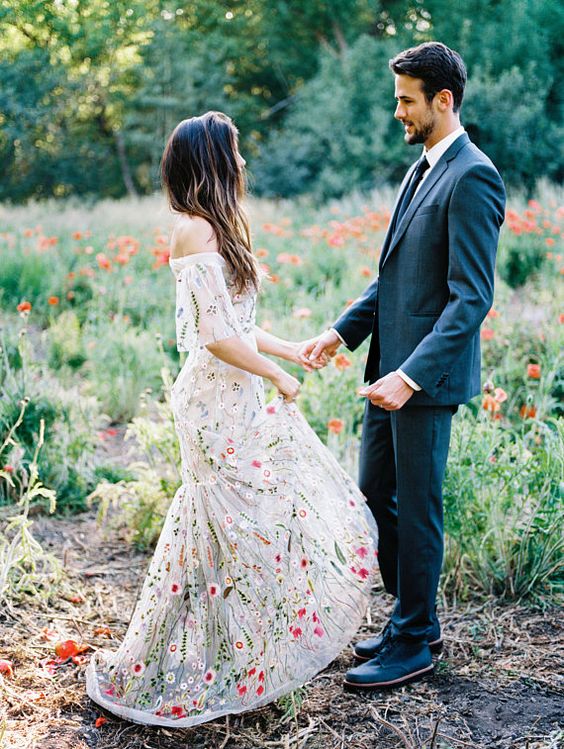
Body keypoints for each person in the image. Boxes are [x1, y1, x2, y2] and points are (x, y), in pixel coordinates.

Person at [85, 111, 378, 727]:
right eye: (234, 153)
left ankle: (243, 656)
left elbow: (237, 326)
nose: (242, 163)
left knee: (247, 524)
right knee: (230, 526)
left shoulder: (219, 229)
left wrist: (289, 349)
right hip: (214, 405)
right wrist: (274, 375)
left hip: (236, 395)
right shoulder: (194, 231)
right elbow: (214, 336)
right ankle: (192, 660)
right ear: (212, 161)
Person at [299, 42, 506, 690]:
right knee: (375, 497)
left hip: (422, 380)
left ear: (443, 100)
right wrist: (339, 332)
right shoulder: (421, 170)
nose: (397, 112)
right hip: (383, 373)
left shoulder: (473, 175)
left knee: (417, 510)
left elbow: (471, 296)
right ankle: (412, 619)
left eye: (406, 100)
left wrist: (411, 374)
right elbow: (392, 280)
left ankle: (414, 640)